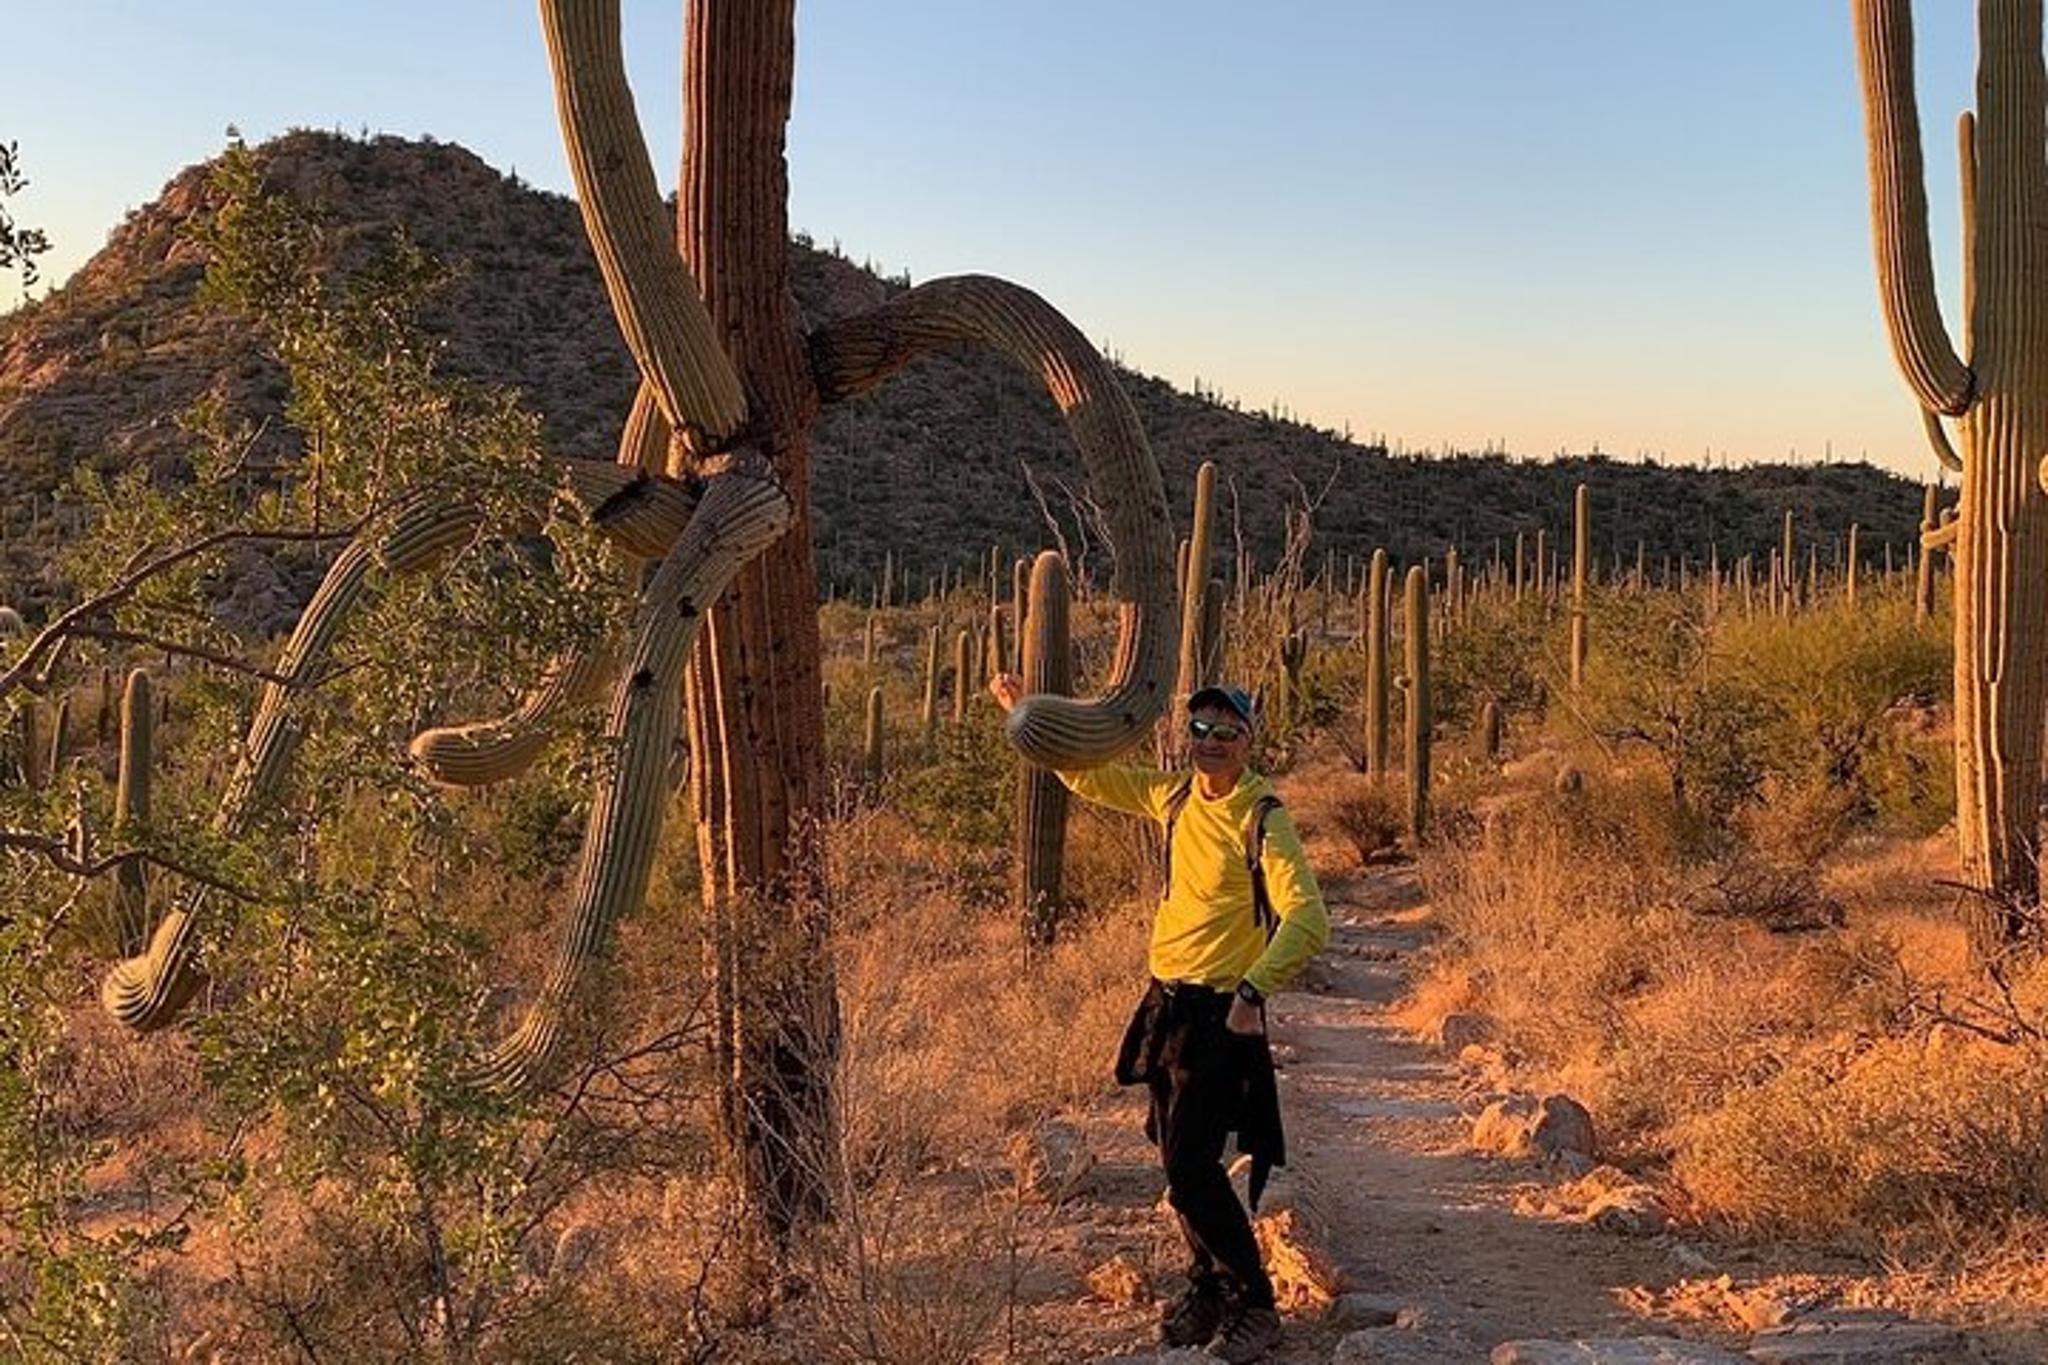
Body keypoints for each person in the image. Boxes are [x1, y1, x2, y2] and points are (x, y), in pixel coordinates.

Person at [988, 675, 1330, 1363]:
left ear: (1249, 740)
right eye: (1200, 729)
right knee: (1175, 1155)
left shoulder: (1262, 817)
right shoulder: (1172, 796)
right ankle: (1208, 1285)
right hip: (1166, 1004)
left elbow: (1308, 918)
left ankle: (1255, 1303)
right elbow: (1089, 778)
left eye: (1226, 731)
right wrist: (1031, 716)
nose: (1211, 742)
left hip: (1220, 1012)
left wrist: (1253, 992)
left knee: (1190, 1165)